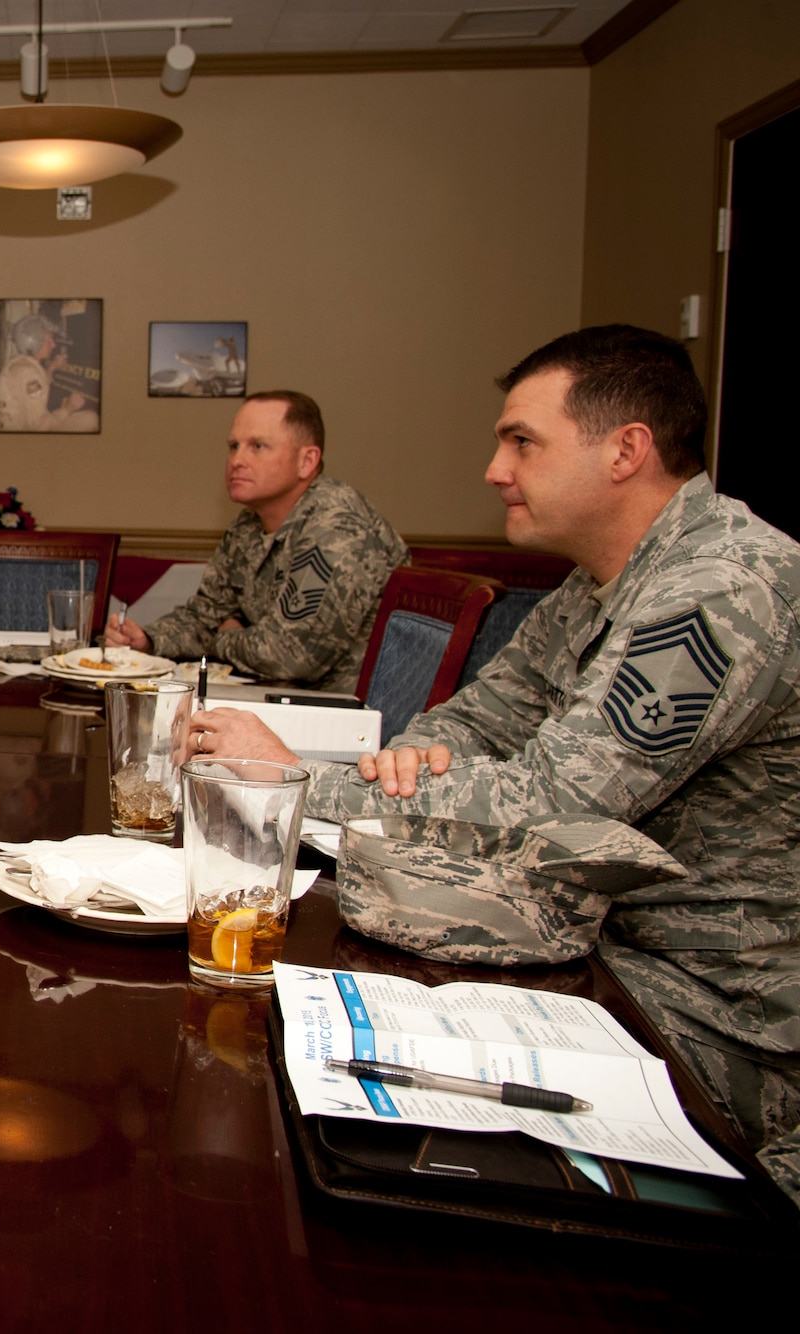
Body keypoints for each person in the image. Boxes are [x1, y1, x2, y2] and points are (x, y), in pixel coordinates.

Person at [188, 326, 800, 1202]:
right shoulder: (599, 580)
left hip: (708, 1011)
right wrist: (401, 768)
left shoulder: (725, 587)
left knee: (325, 1103)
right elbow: (477, 717)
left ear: (627, 450)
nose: (494, 469)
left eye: (522, 441)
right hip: (584, 944)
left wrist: (291, 775)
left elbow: (560, 797)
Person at [104, 390, 406, 691]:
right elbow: (206, 616)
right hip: (278, 699)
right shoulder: (247, 526)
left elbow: (290, 656)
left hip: (348, 716)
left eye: (258, 446)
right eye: (234, 446)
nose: (237, 460)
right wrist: (147, 639)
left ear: (307, 461)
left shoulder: (337, 527)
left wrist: (225, 637)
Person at [0, 314, 98, 433]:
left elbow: (39, 384)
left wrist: (53, 367)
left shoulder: (20, 364)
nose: (53, 345)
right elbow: (40, 427)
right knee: (92, 419)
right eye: (49, 340)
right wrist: (70, 407)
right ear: (34, 342)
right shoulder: (28, 373)